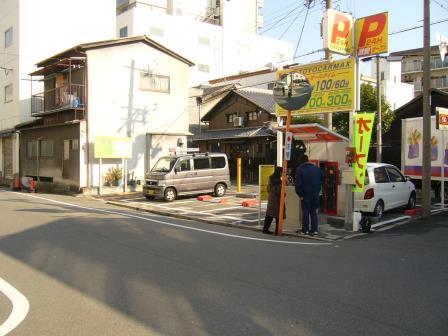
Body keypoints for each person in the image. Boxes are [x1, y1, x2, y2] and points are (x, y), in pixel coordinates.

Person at [295, 155, 324, 236]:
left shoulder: (300, 169)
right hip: (315, 194)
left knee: (305, 212)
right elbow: (323, 177)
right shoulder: (316, 168)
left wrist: (300, 194)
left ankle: (305, 230)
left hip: (305, 194)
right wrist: (318, 189)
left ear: (300, 161)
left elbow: (298, 184)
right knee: (313, 212)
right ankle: (315, 230)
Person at [262, 167, 285, 235]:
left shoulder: (270, 178)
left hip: (271, 199)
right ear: (279, 173)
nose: (282, 174)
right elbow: (279, 192)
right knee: (279, 216)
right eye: (282, 172)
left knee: (269, 215)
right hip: (277, 201)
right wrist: (284, 194)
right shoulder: (280, 182)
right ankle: (277, 231)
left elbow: (268, 189)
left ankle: (265, 229)